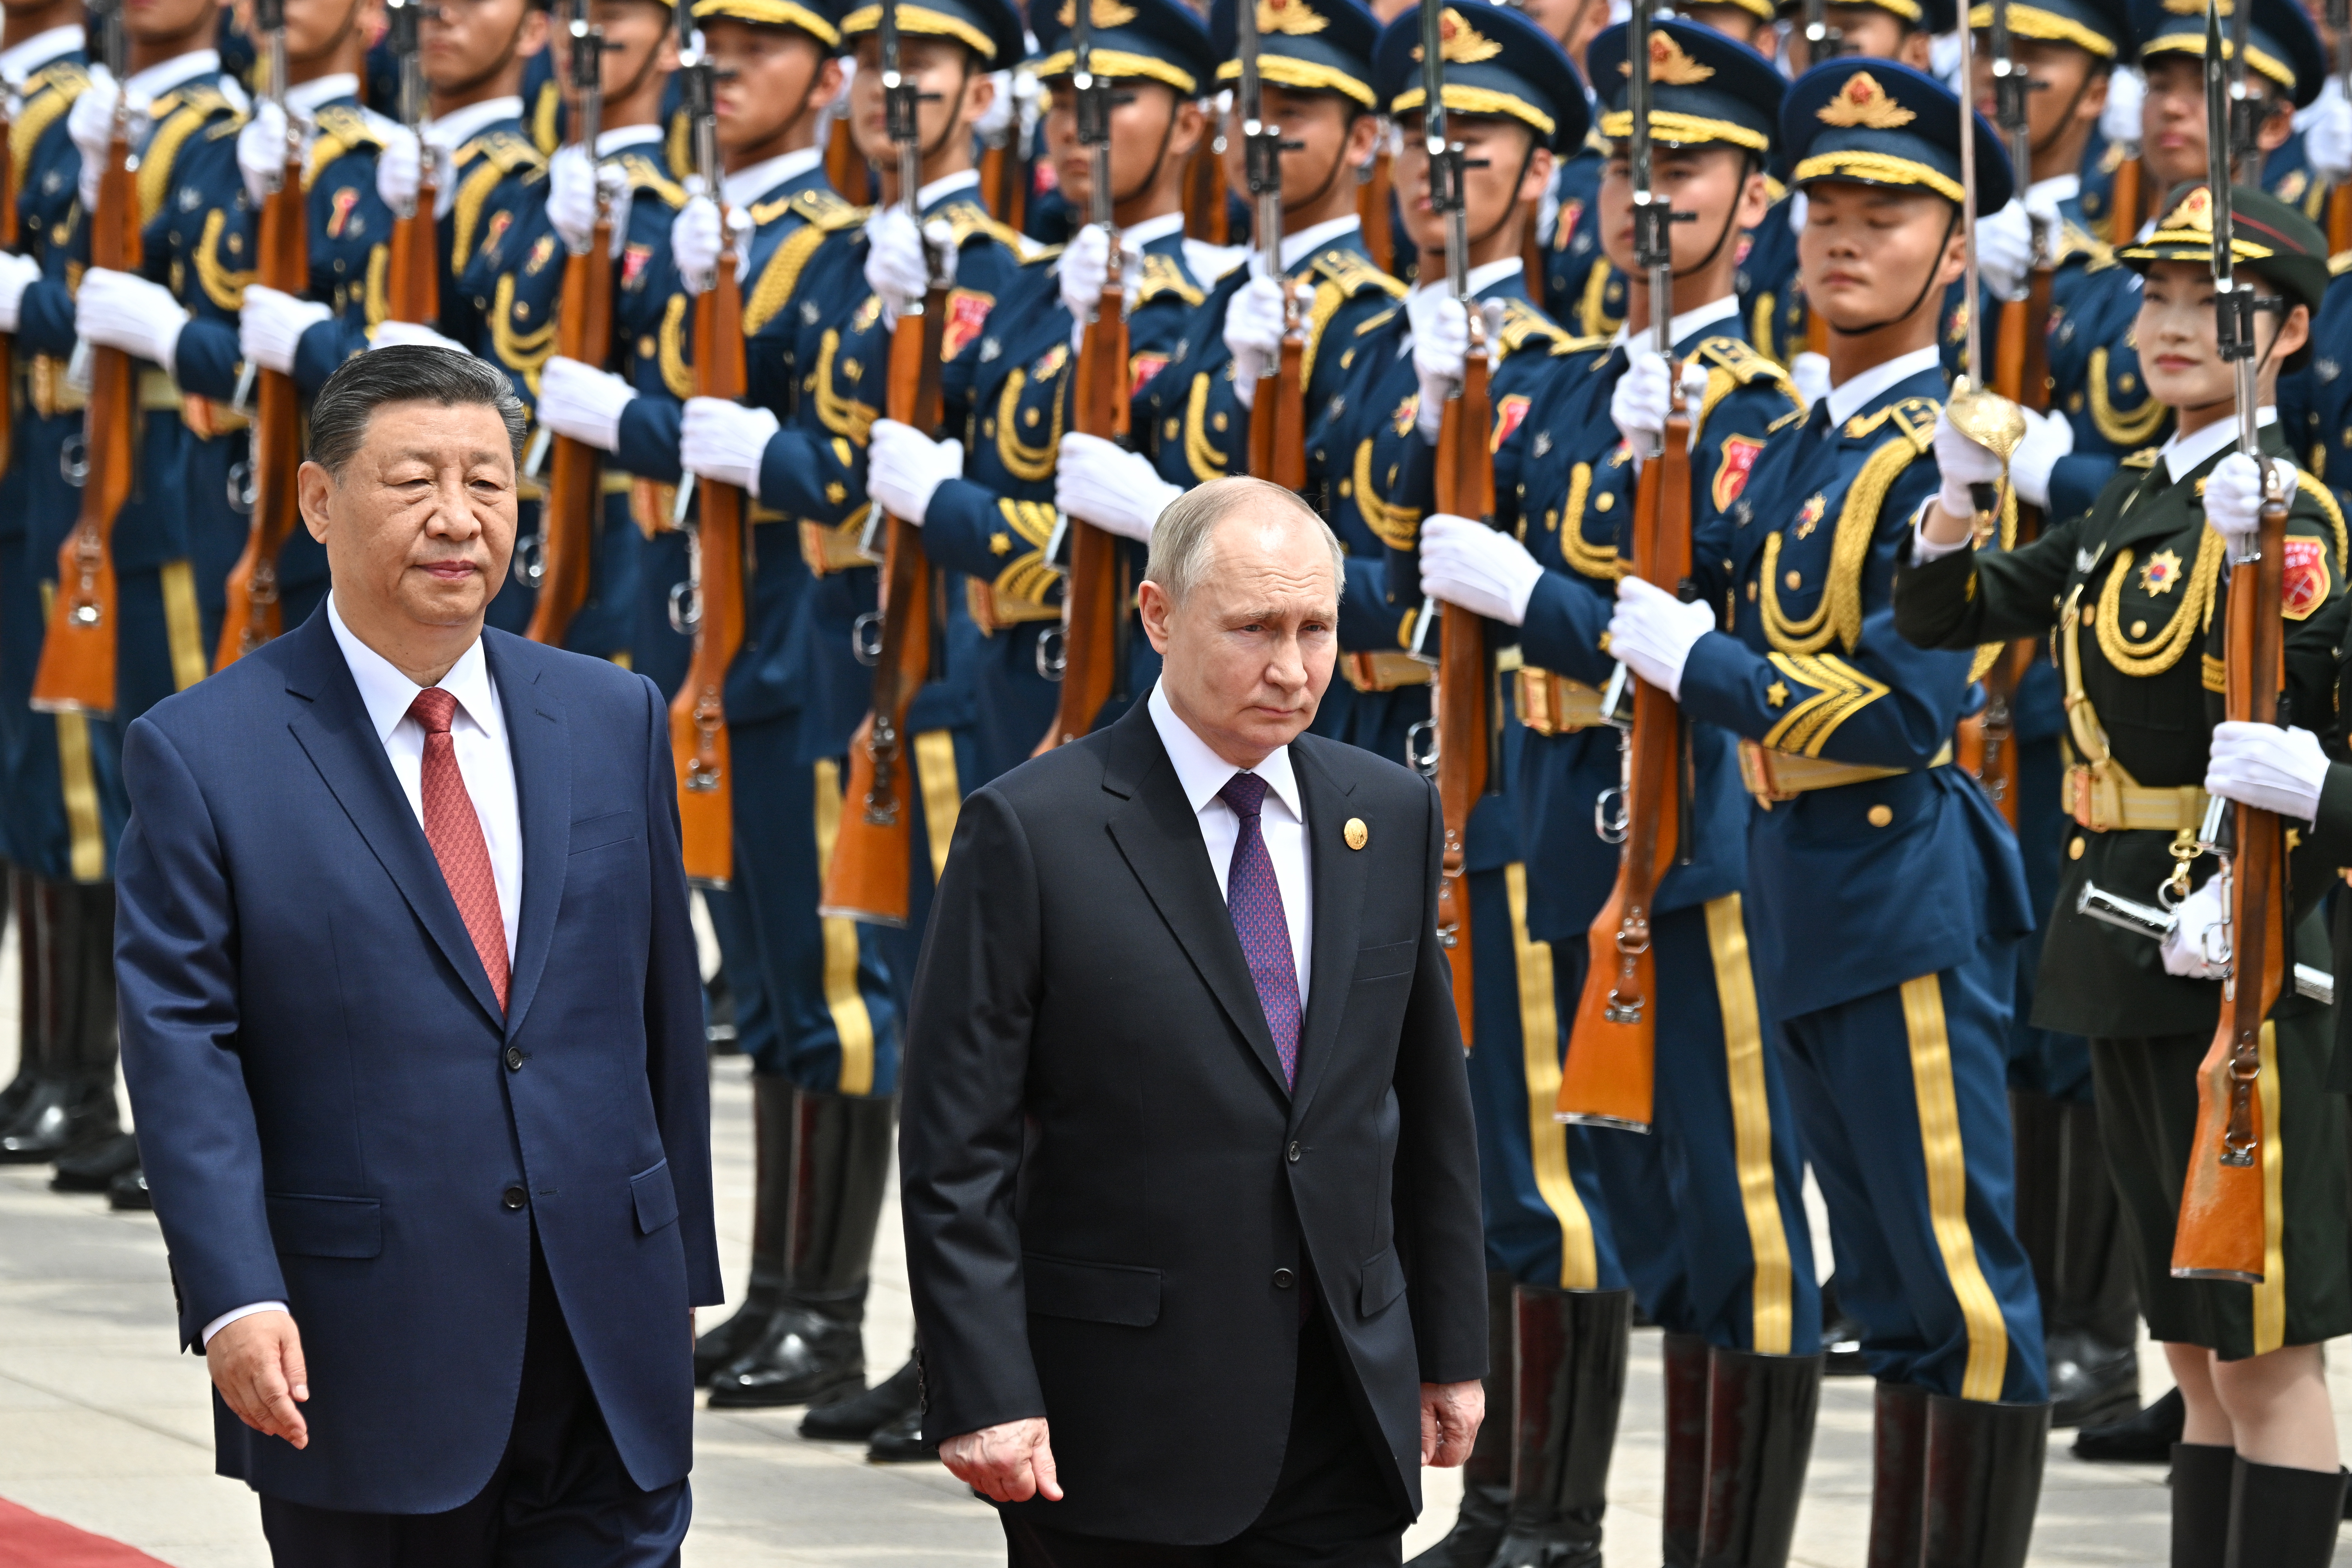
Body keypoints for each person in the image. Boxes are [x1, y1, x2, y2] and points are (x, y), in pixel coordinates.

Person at [113, 345, 720, 1563]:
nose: (459, 519)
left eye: (489, 483)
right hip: (365, 1350)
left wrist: (677, 1273)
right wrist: (234, 1290)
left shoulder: (612, 716)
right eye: (415, 481)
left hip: (605, 1340)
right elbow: (184, 1047)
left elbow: (661, 1019)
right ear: (318, 502)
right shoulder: (204, 752)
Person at [1604, 58, 2055, 1563]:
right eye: (1823, 211)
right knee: (1882, 1289)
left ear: (1950, 243)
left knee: (1954, 1292)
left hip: (1892, 883)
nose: (1843, 239)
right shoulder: (1800, 430)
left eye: (1887, 213)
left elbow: (1902, 708)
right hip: (1795, 882)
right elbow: (1706, 555)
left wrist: (1702, 661)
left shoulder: (1958, 442)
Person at [1403, 20, 1828, 1568]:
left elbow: (1723, 635)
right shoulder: (1571, 382)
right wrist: (1424, 384)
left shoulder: (1767, 407)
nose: (1651, 199)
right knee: (1600, 1183)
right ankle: (1547, 1517)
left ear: (1753, 201)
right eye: (1629, 168)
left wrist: (1550, 604)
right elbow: (1425, 541)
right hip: (1546, 802)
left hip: (1689, 832)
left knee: (1733, 1220)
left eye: (1691, 169)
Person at [900, 474, 1487, 1564]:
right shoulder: (1034, 830)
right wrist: (983, 1388)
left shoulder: (1385, 811)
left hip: (1341, 1416)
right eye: (1255, 627)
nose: (1291, 667)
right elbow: (955, 1150)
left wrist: (1449, 1348)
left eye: (1316, 628)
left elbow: (1423, 1106)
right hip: (1118, 1428)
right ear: (1158, 616)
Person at [1896, 182, 2352, 1568]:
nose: (2165, 327)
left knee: (2264, 1342)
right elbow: (1958, 612)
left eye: (2204, 306)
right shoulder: (2147, 494)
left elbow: (2317, 751)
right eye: (2151, 301)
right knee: (2197, 1347)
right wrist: (1955, 505)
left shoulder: (2294, 522)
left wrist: (2297, 813)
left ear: (2278, 333)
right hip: (2124, 939)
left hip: (2250, 955)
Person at [667, 0, 1033, 1424]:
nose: (895, 94)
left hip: (934, 673)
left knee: (918, 1018)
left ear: (979, 96)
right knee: (787, 988)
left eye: (925, 72)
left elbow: (940, 471)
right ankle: (798, 1298)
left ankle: (919, 1332)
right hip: (821, 652)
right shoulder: (830, 254)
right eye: (879, 70)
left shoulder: (1003, 275)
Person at [4, 0, 254, 1204]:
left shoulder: (225, 137)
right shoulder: (93, 123)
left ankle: (178, 1108)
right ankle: (71, 1070)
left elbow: (245, 341)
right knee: (76, 791)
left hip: (174, 502)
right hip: (78, 482)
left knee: (178, 817)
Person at [0, 0, 103, 1180]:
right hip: (30, 478)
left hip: (93, 481)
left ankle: (83, 1070)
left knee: (81, 783)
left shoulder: (92, 107)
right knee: (34, 781)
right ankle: (47, 1059)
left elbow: (97, 301)